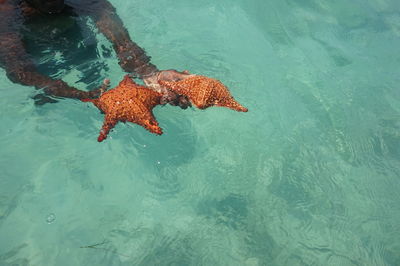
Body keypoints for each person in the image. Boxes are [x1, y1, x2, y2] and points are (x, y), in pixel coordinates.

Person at [0, 0, 191, 108]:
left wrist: (150, 74)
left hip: (69, 30)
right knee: (46, 98)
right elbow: (19, 70)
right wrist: (75, 94)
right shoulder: (5, 11)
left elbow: (123, 43)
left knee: (94, 72)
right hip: (29, 45)